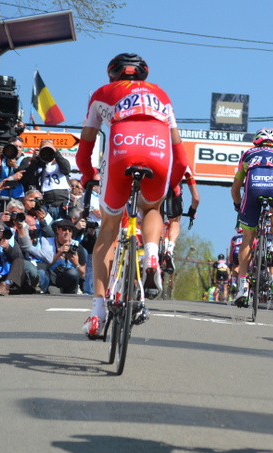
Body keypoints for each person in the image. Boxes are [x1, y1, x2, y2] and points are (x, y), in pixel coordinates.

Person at [76, 53, 189, 338]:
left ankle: (97, 313)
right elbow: (182, 156)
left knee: (109, 229)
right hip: (157, 150)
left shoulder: (102, 93)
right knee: (152, 209)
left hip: (121, 149)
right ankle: (152, 255)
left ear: (112, 74)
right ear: (143, 75)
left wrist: (88, 175)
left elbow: (85, 147)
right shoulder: (161, 95)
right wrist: (174, 185)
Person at [231, 127, 273, 307]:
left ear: (257, 141)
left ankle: (242, 288)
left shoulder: (247, 154)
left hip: (252, 190)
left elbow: (236, 186)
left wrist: (238, 205)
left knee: (247, 237)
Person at [161, 169, 200, 273]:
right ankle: (170, 248)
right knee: (174, 221)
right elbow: (196, 198)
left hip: (156, 188)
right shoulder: (184, 163)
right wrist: (192, 211)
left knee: (151, 216)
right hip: (174, 191)